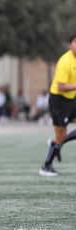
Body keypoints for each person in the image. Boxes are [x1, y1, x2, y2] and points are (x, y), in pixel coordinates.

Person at [40, 32, 76, 176]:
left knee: (60, 138)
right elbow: (61, 87)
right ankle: (45, 167)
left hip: (72, 99)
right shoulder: (65, 61)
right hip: (59, 101)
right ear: (70, 45)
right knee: (60, 135)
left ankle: (54, 144)